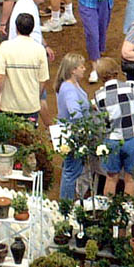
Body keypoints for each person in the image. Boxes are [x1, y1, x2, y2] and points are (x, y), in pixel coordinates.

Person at [94, 59, 134, 197]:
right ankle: (128, 211)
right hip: (133, 139)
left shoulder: (99, 96)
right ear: (117, 72)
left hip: (112, 141)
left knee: (111, 178)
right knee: (130, 179)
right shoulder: (130, 88)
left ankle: (108, 212)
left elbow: (103, 121)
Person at [0, 13, 49, 122]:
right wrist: (34, 97)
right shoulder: (40, 50)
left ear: (16, 28)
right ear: (32, 29)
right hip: (30, 107)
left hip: (8, 107)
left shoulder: (5, 47)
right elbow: (42, 80)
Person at [54, 54, 92, 202]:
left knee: (70, 168)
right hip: (74, 135)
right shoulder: (69, 89)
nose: (84, 69)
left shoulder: (71, 84)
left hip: (70, 134)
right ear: (73, 70)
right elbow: (75, 113)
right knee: (71, 171)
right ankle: (66, 205)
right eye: (81, 67)